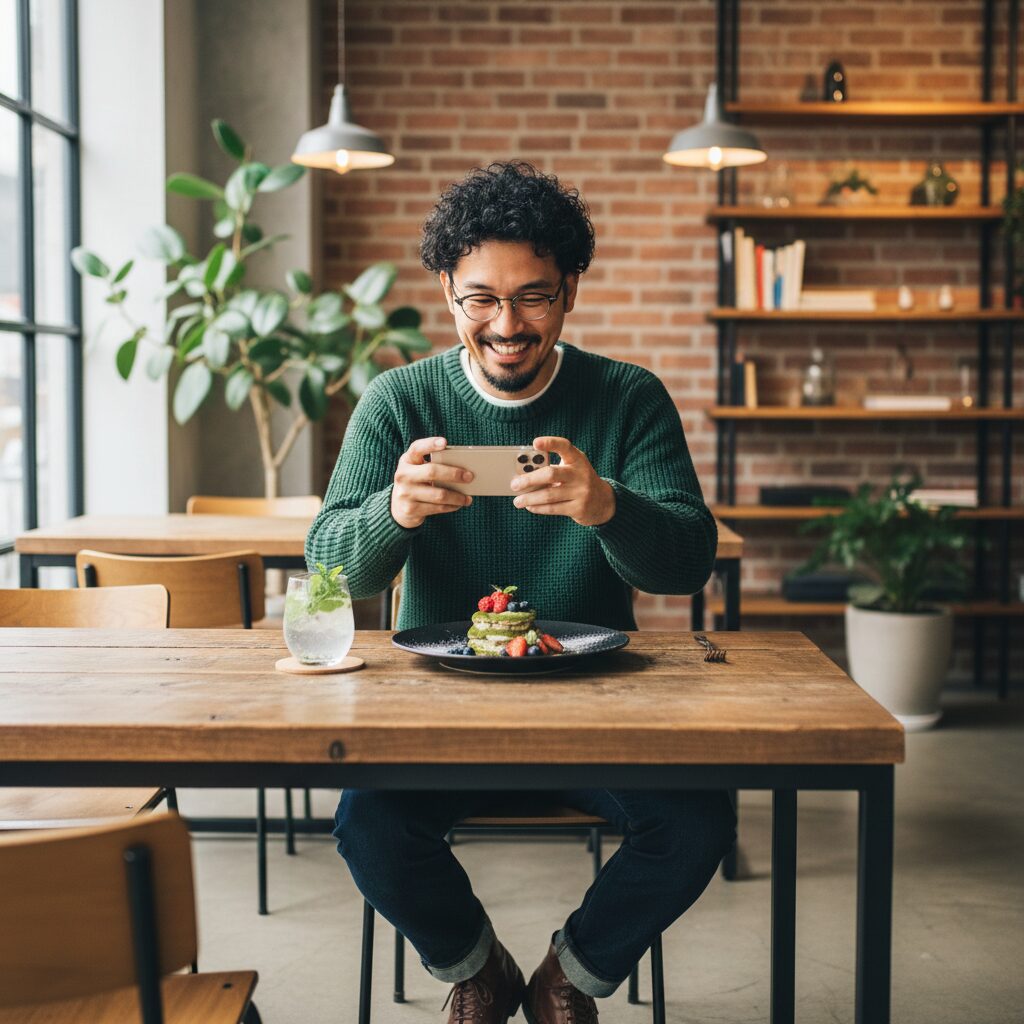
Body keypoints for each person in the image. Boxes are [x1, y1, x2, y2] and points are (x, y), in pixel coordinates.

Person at [306, 161, 735, 1024]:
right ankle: (478, 967)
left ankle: (568, 977)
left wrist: (608, 506)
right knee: (368, 827)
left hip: (599, 704)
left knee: (696, 824)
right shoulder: (398, 400)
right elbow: (326, 571)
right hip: (436, 706)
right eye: (480, 299)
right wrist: (392, 514)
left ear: (570, 291)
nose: (506, 325)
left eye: (534, 297)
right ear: (446, 290)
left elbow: (688, 562)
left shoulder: (628, 397)